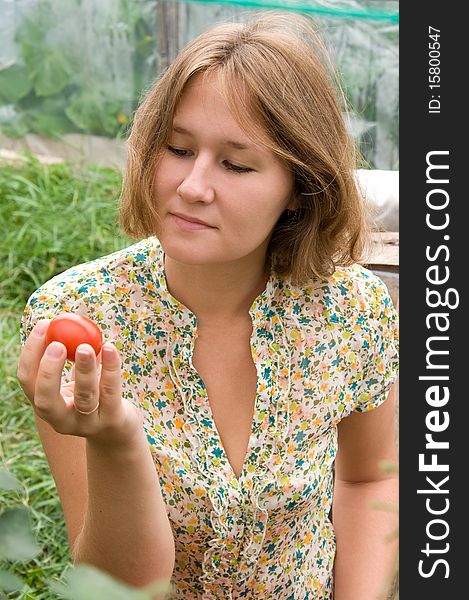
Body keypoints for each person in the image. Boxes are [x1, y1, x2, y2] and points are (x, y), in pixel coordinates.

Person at [17, 12, 399, 600]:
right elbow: (122, 584)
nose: (192, 185)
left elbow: (367, 480)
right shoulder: (81, 321)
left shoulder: (353, 312)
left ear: (300, 186)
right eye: (177, 148)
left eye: (236, 164)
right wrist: (116, 440)